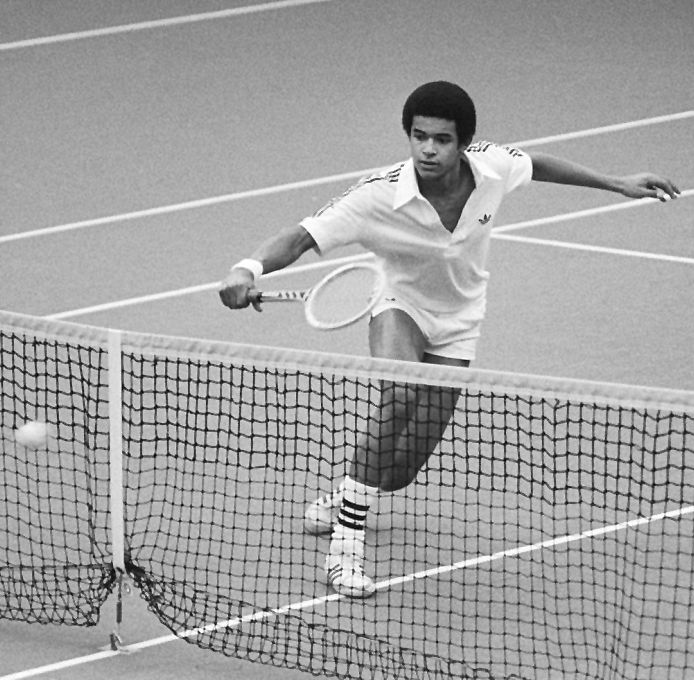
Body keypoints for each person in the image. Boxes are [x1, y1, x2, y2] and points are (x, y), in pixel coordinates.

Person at [218, 81, 680, 599]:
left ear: (463, 144)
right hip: (398, 305)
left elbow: (540, 164)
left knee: (399, 473)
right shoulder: (377, 195)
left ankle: (347, 493)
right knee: (398, 396)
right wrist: (247, 268)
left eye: (441, 139)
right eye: (418, 137)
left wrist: (617, 182)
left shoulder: (493, 167)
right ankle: (344, 552)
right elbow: (301, 237)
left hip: (460, 322)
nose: (428, 150)